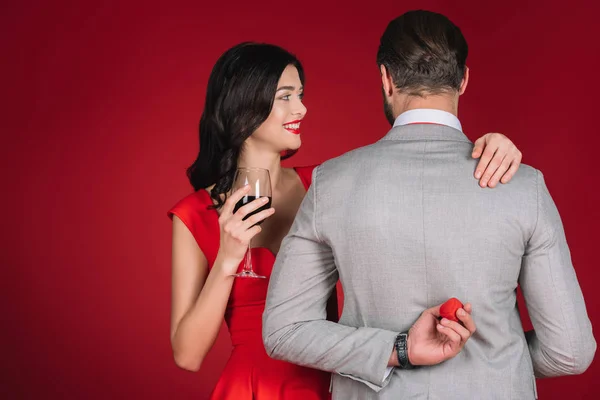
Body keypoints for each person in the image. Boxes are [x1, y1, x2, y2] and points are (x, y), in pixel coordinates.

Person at [262, 10, 596, 400]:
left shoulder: (330, 183)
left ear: (386, 79)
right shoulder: (521, 184)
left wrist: (397, 350)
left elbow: (284, 330)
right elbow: (570, 352)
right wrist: (492, 357)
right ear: (464, 79)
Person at [168, 42, 524, 399]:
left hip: (344, 380)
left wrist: (488, 148)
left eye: (301, 95)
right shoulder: (193, 215)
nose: (302, 107)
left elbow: (417, 182)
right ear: (242, 103)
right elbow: (187, 355)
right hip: (251, 389)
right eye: (285, 96)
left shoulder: (324, 185)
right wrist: (227, 261)